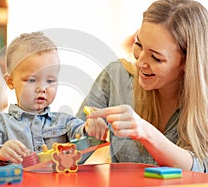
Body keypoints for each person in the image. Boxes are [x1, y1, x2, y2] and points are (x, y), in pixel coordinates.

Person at [77, 0, 208, 173]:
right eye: (138, 45)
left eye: (156, 58)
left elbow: (202, 170)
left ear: (187, 61)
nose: (139, 62)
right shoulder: (116, 77)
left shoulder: (203, 102)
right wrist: (88, 131)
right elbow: (67, 155)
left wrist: (147, 133)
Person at [0, 32, 107, 165]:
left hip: (59, 185)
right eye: (32, 80)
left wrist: (91, 127)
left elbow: (81, 134)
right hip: (18, 184)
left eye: (50, 80)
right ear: (10, 82)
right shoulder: (0, 122)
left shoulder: (64, 121)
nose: (42, 88)